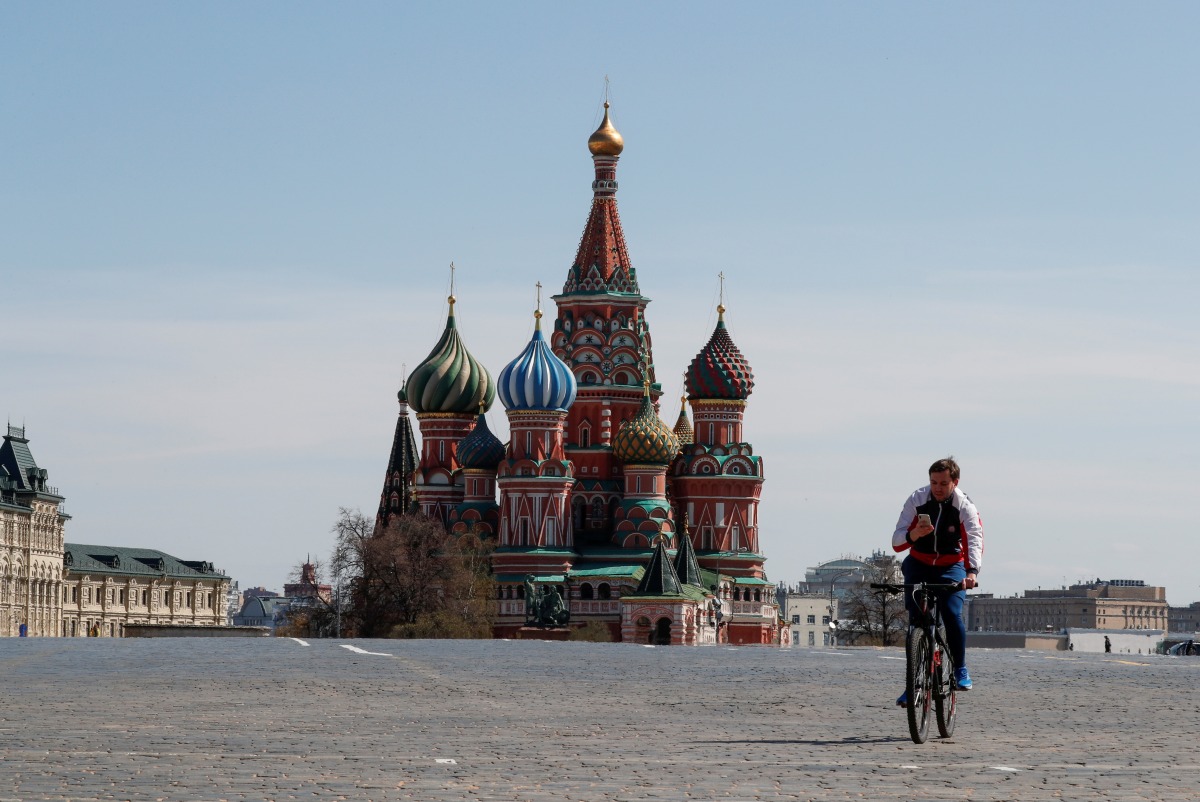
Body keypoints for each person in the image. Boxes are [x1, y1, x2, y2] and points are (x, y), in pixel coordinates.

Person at [891, 457, 984, 707]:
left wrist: (971, 572)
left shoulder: (964, 506)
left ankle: (960, 669)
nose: (938, 488)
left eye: (943, 483)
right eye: (933, 482)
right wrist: (914, 534)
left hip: (951, 566)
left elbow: (974, 538)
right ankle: (913, 686)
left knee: (952, 613)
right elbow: (897, 541)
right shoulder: (917, 499)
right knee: (915, 623)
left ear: (955, 482)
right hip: (919, 564)